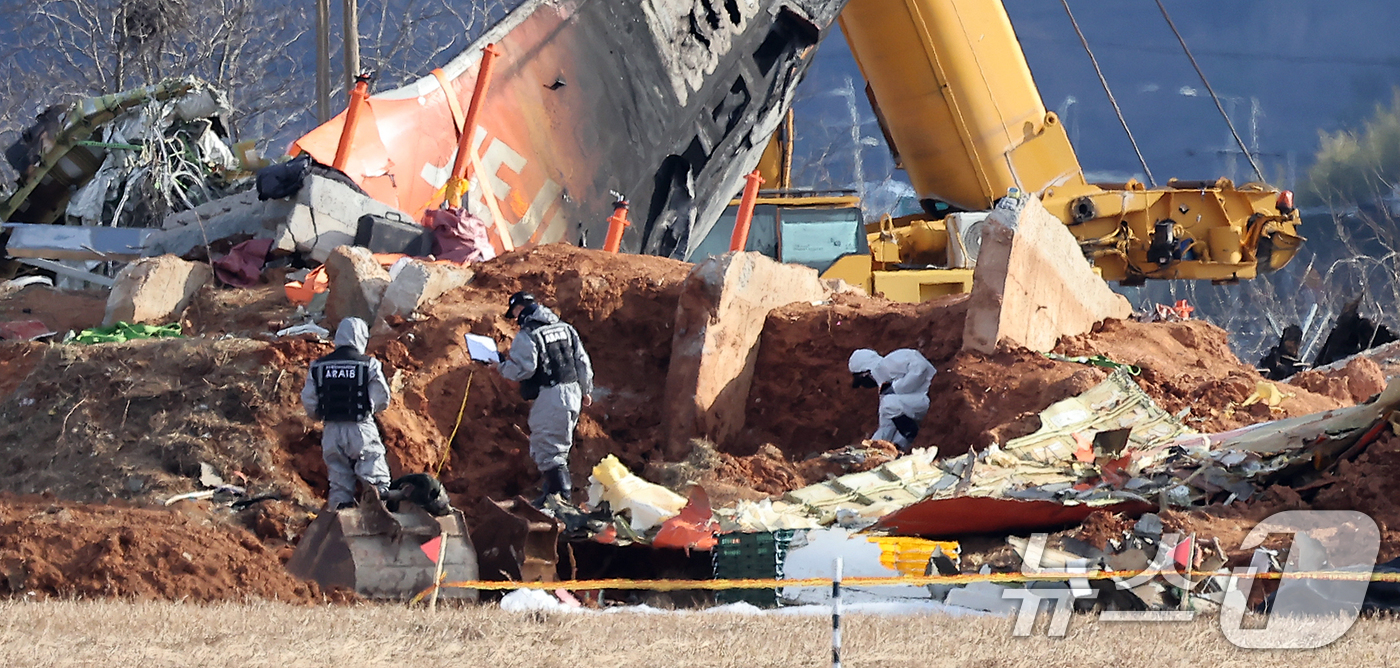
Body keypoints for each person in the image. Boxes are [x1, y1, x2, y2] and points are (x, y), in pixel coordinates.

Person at [495, 291, 593, 504]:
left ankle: (560, 500)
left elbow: (524, 370)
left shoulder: (528, 335)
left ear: (519, 309)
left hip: (552, 396)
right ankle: (552, 494)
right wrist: (586, 391)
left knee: (548, 449)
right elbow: (582, 362)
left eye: (515, 314)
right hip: (573, 392)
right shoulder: (565, 328)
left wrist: (500, 365)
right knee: (560, 447)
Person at [301, 317, 392, 510]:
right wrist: (369, 410)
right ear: (361, 338)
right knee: (377, 481)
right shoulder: (369, 365)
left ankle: (341, 525)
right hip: (360, 428)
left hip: (331, 431)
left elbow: (309, 401)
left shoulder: (318, 366)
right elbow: (382, 398)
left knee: (340, 484)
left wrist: (322, 416)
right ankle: (380, 520)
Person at [848, 348, 936, 453]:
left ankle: (910, 433)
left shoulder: (890, 362)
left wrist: (898, 387)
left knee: (889, 404)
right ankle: (902, 446)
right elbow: (886, 425)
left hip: (929, 398)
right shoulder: (883, 387)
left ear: (865, 373)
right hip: (915, 404)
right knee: (890, 411)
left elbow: (920, 366)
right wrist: (870, 446)